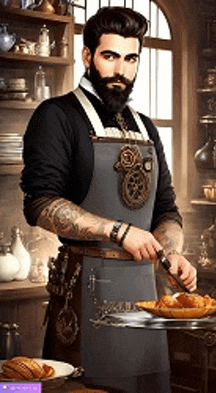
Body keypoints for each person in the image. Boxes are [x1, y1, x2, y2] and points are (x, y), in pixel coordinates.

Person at [20, 6, 197, 393]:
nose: (120, 69)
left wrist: (171, 254)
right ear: (88, 57)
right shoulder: (56, 116)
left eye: (130, 58)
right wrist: (118, 231)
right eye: (109, 56)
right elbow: (40, 203)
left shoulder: (146, 127)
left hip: (146, 299)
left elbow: (166, 208)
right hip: (86, 295)